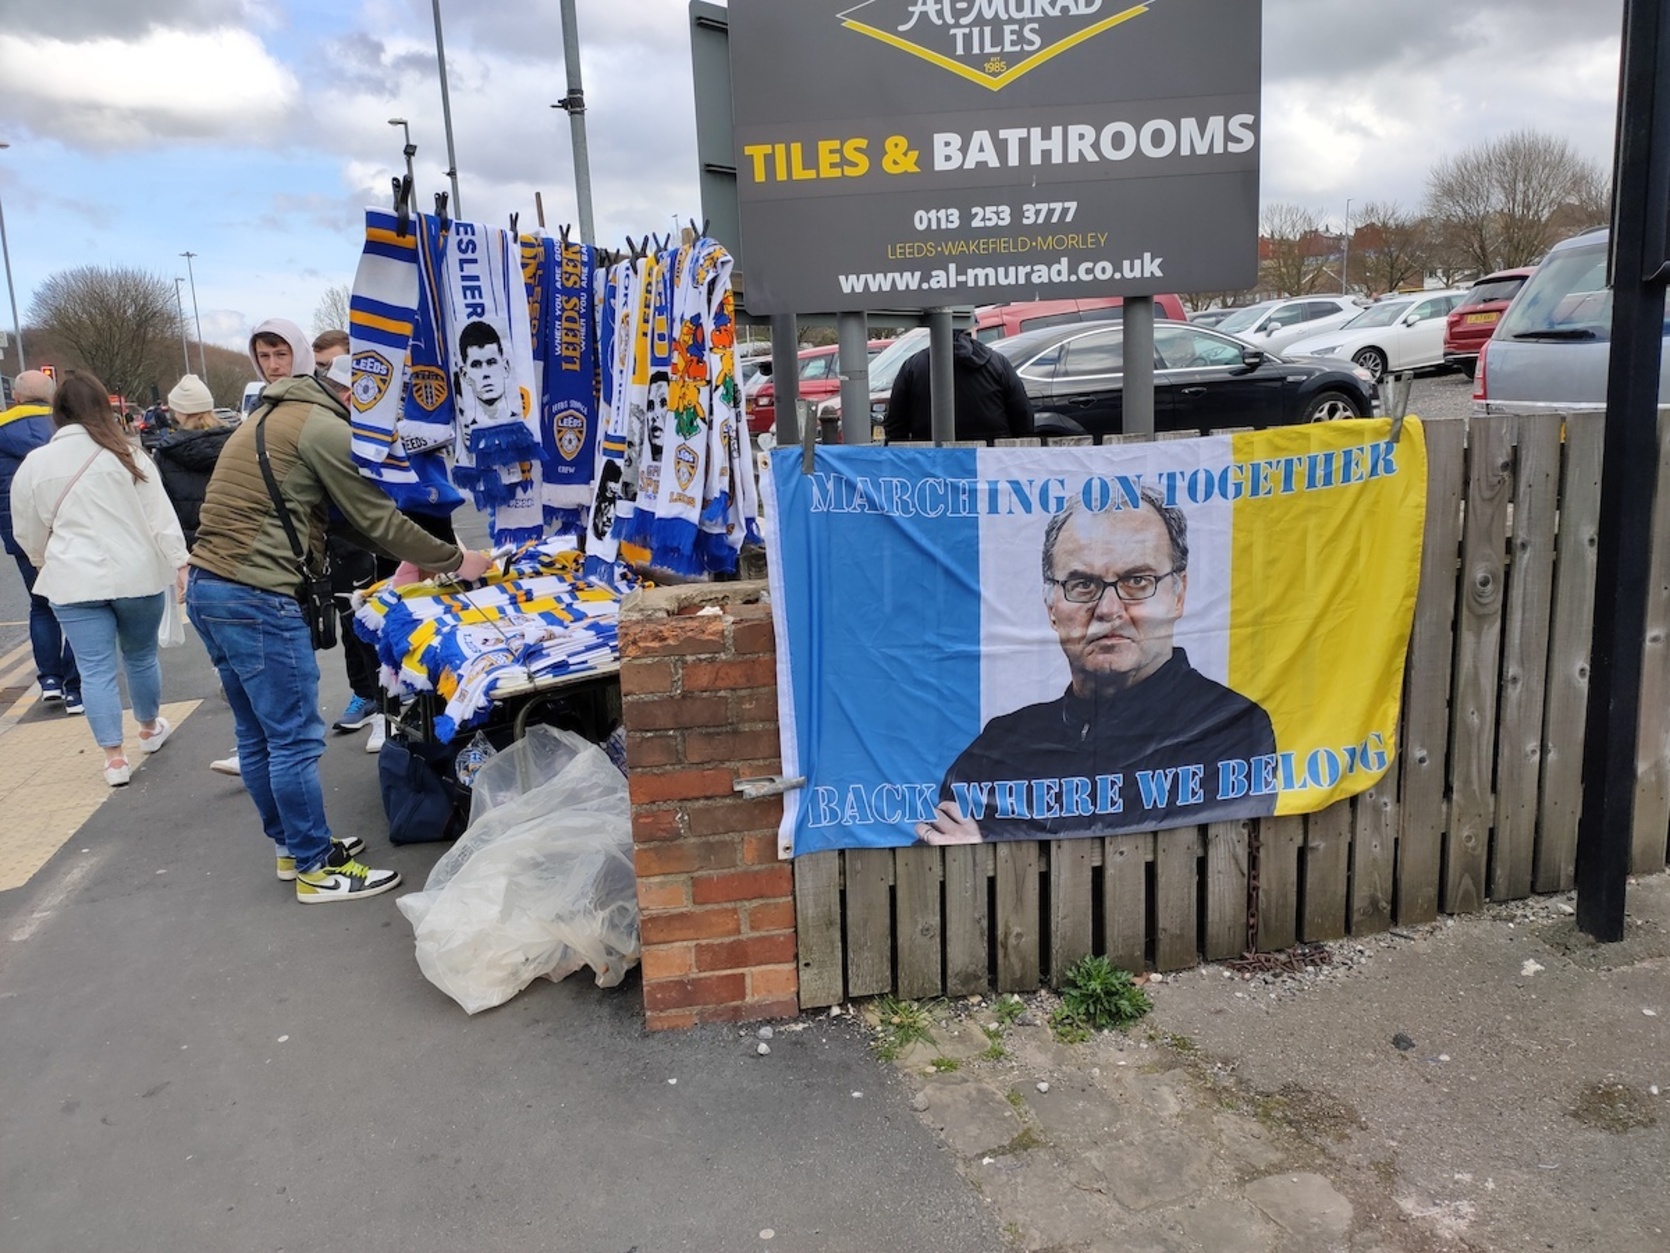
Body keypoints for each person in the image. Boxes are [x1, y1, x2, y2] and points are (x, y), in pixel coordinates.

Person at [187, 316, 492, 903]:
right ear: (354, 395)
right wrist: (458, 561)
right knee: (296, 738)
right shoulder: (322, 429)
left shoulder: (266, 418)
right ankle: (314, 868)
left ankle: (293, 848)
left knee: (257, 734)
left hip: (210, 588)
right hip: (257, 595)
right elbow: (376, 517)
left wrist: (424, 560)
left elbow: (356, 524)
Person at [919, 490, 1276, 843]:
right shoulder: (998, 748)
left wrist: (992, 843)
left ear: (1177, 595)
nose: (1108, 610)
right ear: (1051, 607)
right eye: (1083, 584)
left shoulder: (1230, 727)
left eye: (1137, 581)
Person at [10, 370, 190, 787]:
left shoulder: (36, 464)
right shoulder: (129, 455)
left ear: (58, 412)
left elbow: (27, 528)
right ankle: (148, 729)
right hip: (137, 576)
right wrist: (180, 563)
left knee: (94, 670)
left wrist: (43, 560)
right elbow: (160, 519)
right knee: (141, 656)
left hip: (72, 581)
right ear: (103, 409)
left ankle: (113, 759)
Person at [311, 329, 387, 753]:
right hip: (334, 539)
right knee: (346, 625)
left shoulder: (368, 415)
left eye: (334, 367)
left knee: (373, 623)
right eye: (321, 368)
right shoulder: (320, 417)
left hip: (375, 537)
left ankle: (385, 707)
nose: (328, 378)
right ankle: (366, 698)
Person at [0, 369, 81, 712]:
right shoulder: (65, 430)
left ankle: (49, 679)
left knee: (41, 605)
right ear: (52, 397)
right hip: (68, 526)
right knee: (80, 605)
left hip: (19, 530)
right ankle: (75, 687)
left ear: (15, 397)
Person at [883, 329, 1033, 443]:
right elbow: (1022, 414)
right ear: (972, 328)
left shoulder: (913, 366)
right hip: (991, 464)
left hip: (931, 465)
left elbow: (895, 424)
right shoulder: (998, 363)